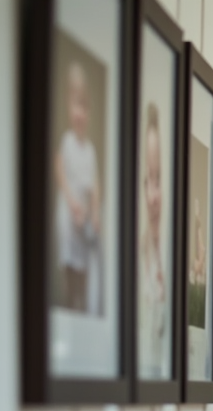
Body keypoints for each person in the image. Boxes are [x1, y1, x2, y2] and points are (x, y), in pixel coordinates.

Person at [54, 61, 103, 314]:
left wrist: (94, 213)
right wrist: (72, 202)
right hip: (69, 213)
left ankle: (79, 311)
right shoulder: (67, 141)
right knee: (69, 274)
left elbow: (95, 185)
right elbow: (60, 170)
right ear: (68, 107)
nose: (80, 113)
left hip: (84, 221)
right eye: (76, 105)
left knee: (84, 274)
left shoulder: (90, 150)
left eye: (84, 106)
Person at [138, 102, 167, 377]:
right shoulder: (136, 256)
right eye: (149, 179)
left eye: (159, 180)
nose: (154, 195)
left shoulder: (171, 257)